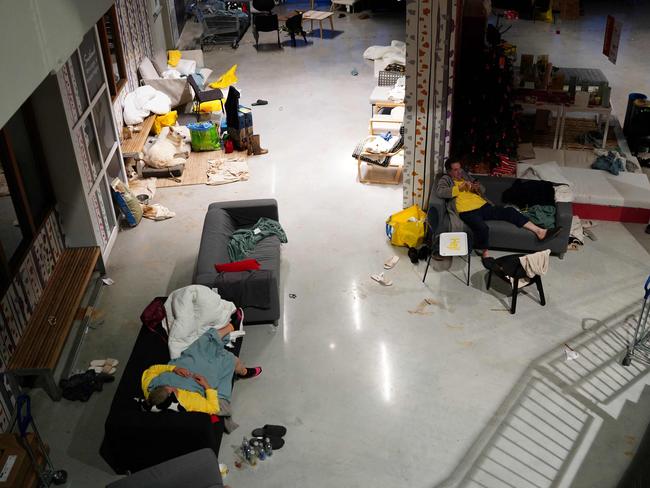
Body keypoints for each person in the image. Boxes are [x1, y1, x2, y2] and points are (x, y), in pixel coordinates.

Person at [435, 160, 561, 257]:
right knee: (483, 227)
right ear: (449, 171)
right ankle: (483, 251)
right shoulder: (445, 179)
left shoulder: (465, 176)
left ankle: (539, 231)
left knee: (510, 211)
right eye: (455, 170)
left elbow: (483, 189)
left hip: (483, 206)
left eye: (460, 168)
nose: (459, 172)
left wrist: (477, 187)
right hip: (466, 211)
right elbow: (440, 192)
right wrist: (459, 188)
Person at [142, 322, 261, 414]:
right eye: (172, 391)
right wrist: (206, 386)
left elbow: (152, 370)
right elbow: (213, 408)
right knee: (228, 360)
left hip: (188, 363)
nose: (173, 388)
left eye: (168, 386)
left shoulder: (149, 386)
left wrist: (174, 369)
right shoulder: (186, 402)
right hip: (204, 377)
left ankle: (231, 326)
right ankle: (243, 372)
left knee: (202, 343)